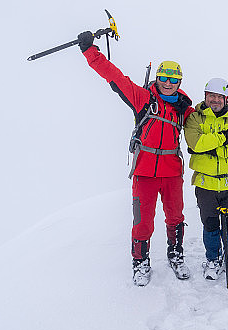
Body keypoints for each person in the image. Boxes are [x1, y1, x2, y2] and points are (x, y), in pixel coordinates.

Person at [77, 31, 194, 287]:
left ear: (180, 81)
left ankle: (176, 255)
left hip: (172, 173)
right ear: (157, 78)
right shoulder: (143, 99)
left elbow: (207, 122)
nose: (167, 82)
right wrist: (90, 52)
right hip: (145, 173)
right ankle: (140, 262)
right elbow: (115, 77)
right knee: (142, 222)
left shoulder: (185, 109)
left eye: (173, 79)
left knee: (175, 217)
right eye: (163, 77)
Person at [184, 78, 228, 280]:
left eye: (219, 97)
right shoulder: (195, 119)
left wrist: (211, 149)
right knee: (211, 224)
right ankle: (212, 259)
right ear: (205, 96)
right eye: (211, 96)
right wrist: (223, 138)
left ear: (226, 98)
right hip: (205, 182)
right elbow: (195, 143)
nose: (215, 100)